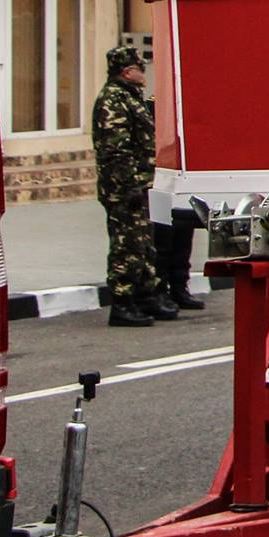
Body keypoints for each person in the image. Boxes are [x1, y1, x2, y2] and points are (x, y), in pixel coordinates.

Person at [92, 44, 177, 327]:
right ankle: (122, 302)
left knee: (143, 244)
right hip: (124, 189)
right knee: (126, 246)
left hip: (141, 185)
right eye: (141, 68)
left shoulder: (130, 97)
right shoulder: (113, 101)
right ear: (128, 72)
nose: (144, 73)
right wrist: (129, 186)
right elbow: (116, 150)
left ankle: (145, 296)